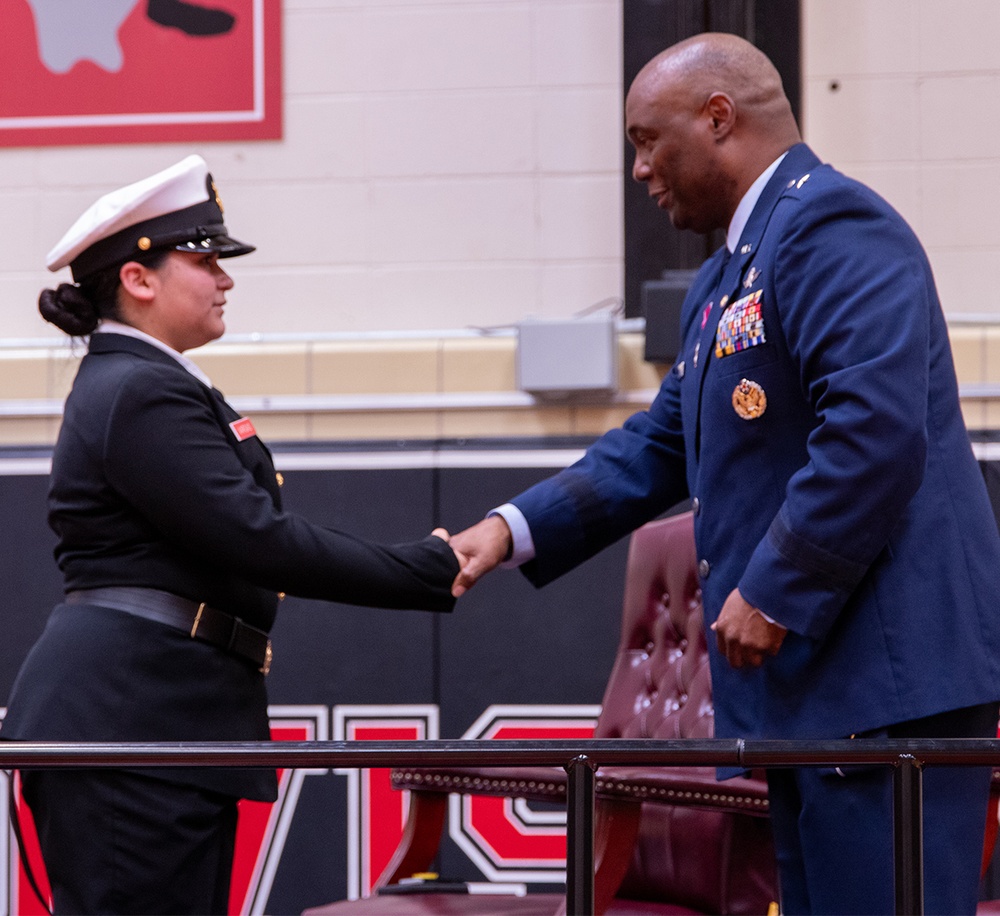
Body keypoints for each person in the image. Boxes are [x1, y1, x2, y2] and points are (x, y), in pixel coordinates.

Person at [449, 32, 1000, 916]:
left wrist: (777, 589)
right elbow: (659, 443)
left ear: (718, 118)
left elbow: (875, 430)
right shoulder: (728, 275)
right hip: (815, 693)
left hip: (884, 686)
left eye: (645, 140)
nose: (638, 170)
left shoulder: (831, 223)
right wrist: (511, 528)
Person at [1, 155, 462, 915]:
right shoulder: (139, 388)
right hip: (132, 722)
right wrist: (424, 569)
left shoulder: (147, 382)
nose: (225, 278)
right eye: (204, 258)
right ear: (138, 279)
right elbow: (259, 539)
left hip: (154, 718)